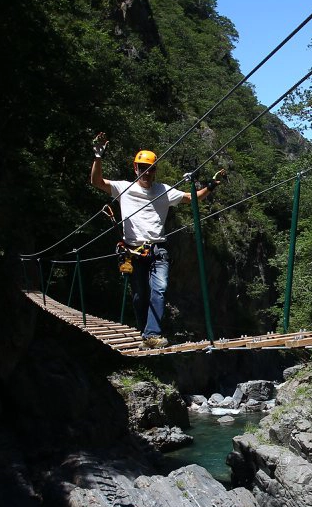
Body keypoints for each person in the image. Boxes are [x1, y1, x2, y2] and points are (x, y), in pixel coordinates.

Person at [89, 134, 217, 348]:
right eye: (142, 168)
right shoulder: (124, 189)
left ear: (155, 170)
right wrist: (98, 157)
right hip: (133, 252)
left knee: (160, 289)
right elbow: (96, 182)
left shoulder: (164, 191)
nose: (146, 173)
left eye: (150, 169)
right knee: (139, 296)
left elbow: (191, 198)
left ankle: (152, 334)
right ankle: (146, 334)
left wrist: (210, 186)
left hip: (158, 250)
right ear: (135, 168)